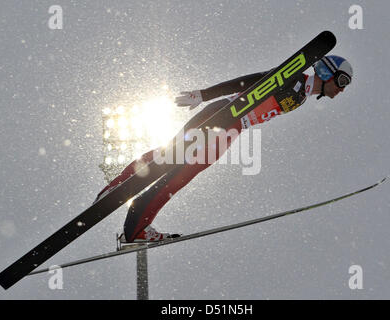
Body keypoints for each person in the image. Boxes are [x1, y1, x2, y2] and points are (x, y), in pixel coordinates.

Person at [95, 55, 353, 243]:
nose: (341, 90)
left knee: (179, 171)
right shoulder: (295, 79)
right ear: (327, 71)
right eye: (342, 81)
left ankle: (136, 225)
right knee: (172, 157)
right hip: (224, 114)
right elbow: (252, 81)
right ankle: (118, 187)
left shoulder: (302, 95)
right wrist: (204, 94)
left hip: (235, 127)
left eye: (346, 85)